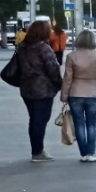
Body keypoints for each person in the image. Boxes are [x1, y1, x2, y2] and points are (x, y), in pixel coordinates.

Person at [61, 30, 96, 163]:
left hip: (75, 93)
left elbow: (67, 78)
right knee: (91, 124)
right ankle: (90, 153)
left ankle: (83, 153)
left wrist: (64, 95)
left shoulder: (72, 56)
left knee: (79, 124)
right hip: (93, 93)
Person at [17, 21, 63, 163]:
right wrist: (59, 84)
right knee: (40, 120)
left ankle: (36, 150)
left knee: (34, 119)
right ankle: (37, 152)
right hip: (43, 89)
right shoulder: (43, 48)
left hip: (26, 88)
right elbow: (52, 68)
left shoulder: (23, 47)